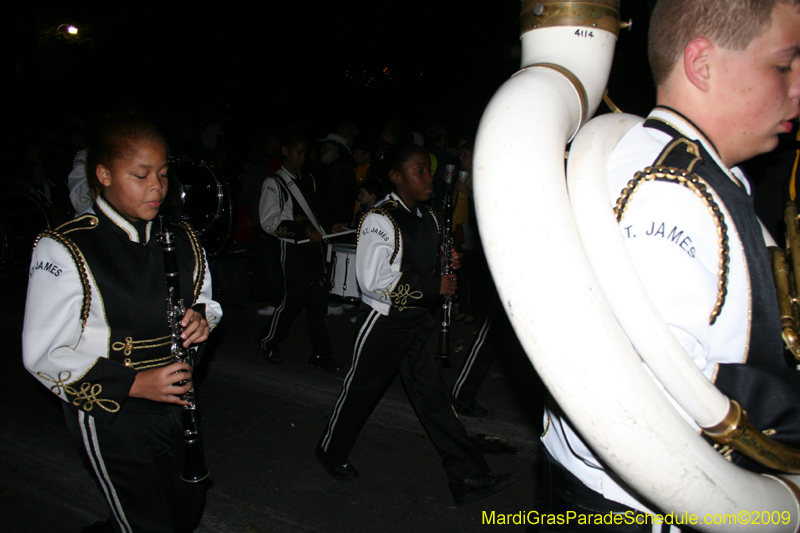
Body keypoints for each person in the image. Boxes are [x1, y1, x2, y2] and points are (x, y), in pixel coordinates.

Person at [540, 0, 800, 528]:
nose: (796, 87)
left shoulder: (684, 171)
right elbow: (641, 412)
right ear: (702, 63)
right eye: (783, 64)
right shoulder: (671, 193)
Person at [22, 113, 222, 533]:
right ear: (104, 174)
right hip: (113, 411)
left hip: (175, 401)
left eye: (164, 174)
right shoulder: (66, 248)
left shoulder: (181, 236)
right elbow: (42, 353)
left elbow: (205, 299)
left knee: (185, 508)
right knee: (147, 521)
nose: (158, 187)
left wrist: (201, 319)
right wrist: (135, 384)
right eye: (141, 175)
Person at [315, 143, 513, 507]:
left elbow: (425, 261)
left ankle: (467, 475)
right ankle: (330, 450)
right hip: (385, 322)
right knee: (362, 392)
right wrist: (433, 284)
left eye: (428, 170)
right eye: (419, 170)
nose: (429, 177)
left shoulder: (429, 217)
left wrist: (445, 262)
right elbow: (374, 279)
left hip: (418, 321)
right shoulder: (380, 218)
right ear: (395, 176)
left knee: (435, 398)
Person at [257, 131, 341, 372]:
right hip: (292, 249)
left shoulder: (309, 180)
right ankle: (268, 341)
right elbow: (268, 222)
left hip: (313, 248)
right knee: (293, 300)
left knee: (317, 301)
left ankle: (321, 353)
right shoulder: (274, 183)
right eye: (299, 152)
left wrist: (328, 227)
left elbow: (313, 215)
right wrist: (302, 230)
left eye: (306, 153)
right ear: (285, 151)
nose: (304, 157)